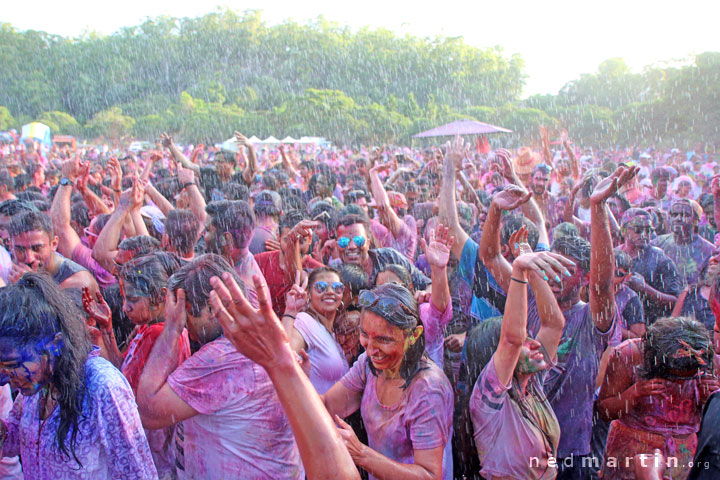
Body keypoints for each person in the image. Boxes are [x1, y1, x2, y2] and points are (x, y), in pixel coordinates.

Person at [136, 254, 304, 479]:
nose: (184, 321)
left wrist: (171, 329)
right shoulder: (258, 335)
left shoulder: (222, 358)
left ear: (212, 308)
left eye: (186, 312)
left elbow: (148, 411)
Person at [0, 273, 157, 478]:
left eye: (12, 365)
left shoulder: (102, 386)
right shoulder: (37, 386)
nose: (3, 379)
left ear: (54, 345)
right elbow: (18, 439)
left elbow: (137, 473)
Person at [322, 283, 453, 480]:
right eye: (365, 335)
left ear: (413, 335)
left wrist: (361, 454)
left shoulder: (428, 389)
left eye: (384, 340)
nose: (370, 349)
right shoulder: (369, 365)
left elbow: (429, 475)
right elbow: (328, 406)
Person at [470, 248, 571, 479]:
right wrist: (518, 269)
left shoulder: (531, 385)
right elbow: (511, 340)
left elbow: (554, 324)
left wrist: (534, 268)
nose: (535, 344)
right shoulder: (489, 402)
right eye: (525, 341)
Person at [598, 317, 720, 479]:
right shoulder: (630, 355)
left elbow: (713, 428)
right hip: (629, 459)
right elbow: (604, 411)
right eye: (673, 377)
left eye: (685, 379)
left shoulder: (706, 361)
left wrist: (710, 401)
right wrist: (635, 393)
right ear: (655, 361)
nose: (678, 383)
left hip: (683, 460)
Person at [7, 209, 99, 294]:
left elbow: (54, 312)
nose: (29, 258)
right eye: (20, 249)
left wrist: (28, 288)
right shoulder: (6, 269)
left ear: (54, 244)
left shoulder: (79, 282)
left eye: (37, 248)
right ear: (11, 247)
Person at [289, 267, 349, 394]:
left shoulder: (333, 332)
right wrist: (290, 312)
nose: (329, 292)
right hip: (304, 411)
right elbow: (287, 355)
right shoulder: (304, 322)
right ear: (309, 293)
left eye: (336, 287)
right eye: (321, 287)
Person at [334, 213, 430, 290]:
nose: (351, 246)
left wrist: (425, 295)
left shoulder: (389, 257)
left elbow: (427, 284)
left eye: (358, 240)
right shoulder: (336, 273)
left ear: (368, 241)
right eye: (343, 242)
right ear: (336, 244)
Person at [619, 208, 683, 325]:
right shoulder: (613, 256)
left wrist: (645, 289)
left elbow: (676, 301)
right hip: (619, 325)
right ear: (623, 231)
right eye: (638, 230)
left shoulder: (661, 259)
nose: (644, 235)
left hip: (650, 325)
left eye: (648, 230)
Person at [652, 198, 715, 286]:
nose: (678, 219)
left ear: (696, 221)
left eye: (685, 215)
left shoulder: (709, 251)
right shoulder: (657, 243)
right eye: (674, 215)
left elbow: (707, 286)